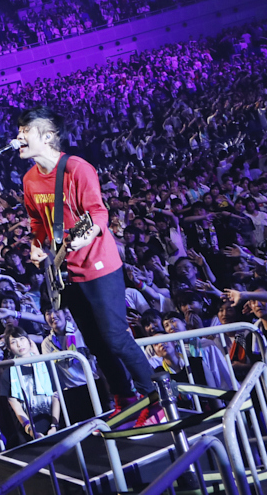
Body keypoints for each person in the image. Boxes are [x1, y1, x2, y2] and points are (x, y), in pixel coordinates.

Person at [15, 107, 163, 424]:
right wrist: (36, 246)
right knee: (95, 343)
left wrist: (81, 236)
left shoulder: (77, 169)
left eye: (25, 132)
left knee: (115, 336)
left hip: (99, 266)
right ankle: (125, 399)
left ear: (48, 136)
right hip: (67, 274)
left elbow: (98, 214)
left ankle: (154, 397)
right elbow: (37, 225)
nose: (18, 139)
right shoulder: (29, 180)